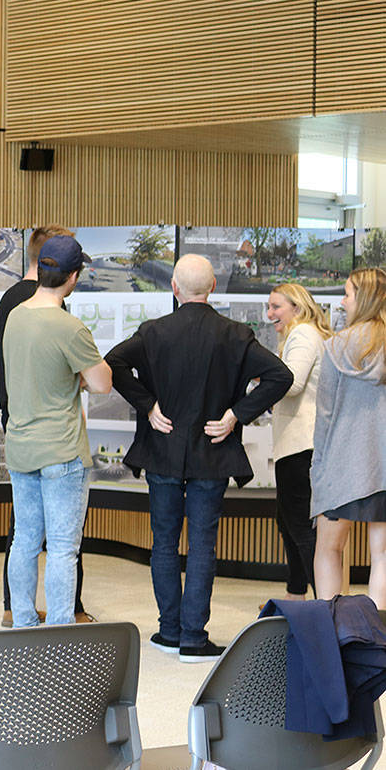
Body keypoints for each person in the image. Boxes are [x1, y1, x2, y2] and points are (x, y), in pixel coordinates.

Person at [107, 254, 291, 661]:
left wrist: (147, 405)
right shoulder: (236, 334)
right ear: (212, 289)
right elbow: (281, 376)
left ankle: (169, 632)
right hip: (213, 453)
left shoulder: (153, 332)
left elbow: (113, 364)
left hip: (163, 453)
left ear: (174, 288)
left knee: (164, 545)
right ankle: (194, 638)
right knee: (203, 545)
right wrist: (236, 414)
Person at [2, 235, 112, 631]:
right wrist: (78, 378)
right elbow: (101, 383)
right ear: (73, 277)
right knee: (63, 548)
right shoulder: (71, 327)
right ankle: (62, 626)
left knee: (24, 542)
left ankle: (25, 622)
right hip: (62, 452)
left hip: (20, 448)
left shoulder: (15, 316)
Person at [311, 268, 386, 608]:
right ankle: (379, 641)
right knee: (382, 555)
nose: (343, 302)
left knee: (329, 550)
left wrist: (319, 470)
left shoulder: (335, 348)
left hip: (341, 466)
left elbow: (325, 416)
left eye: (347, 294)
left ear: (365, 299)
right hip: (383, 469)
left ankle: (330, 632)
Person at [266, 283, 332, 599]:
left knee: (300, 528)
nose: (270, 314)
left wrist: (259, 376)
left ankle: (325, 606)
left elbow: (290, 384)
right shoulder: (304, 334)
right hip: (297, 446)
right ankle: (297, 597)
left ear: (297, 306)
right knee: (289, 523)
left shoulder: (303, 334)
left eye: (276, 306)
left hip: (300, 446)